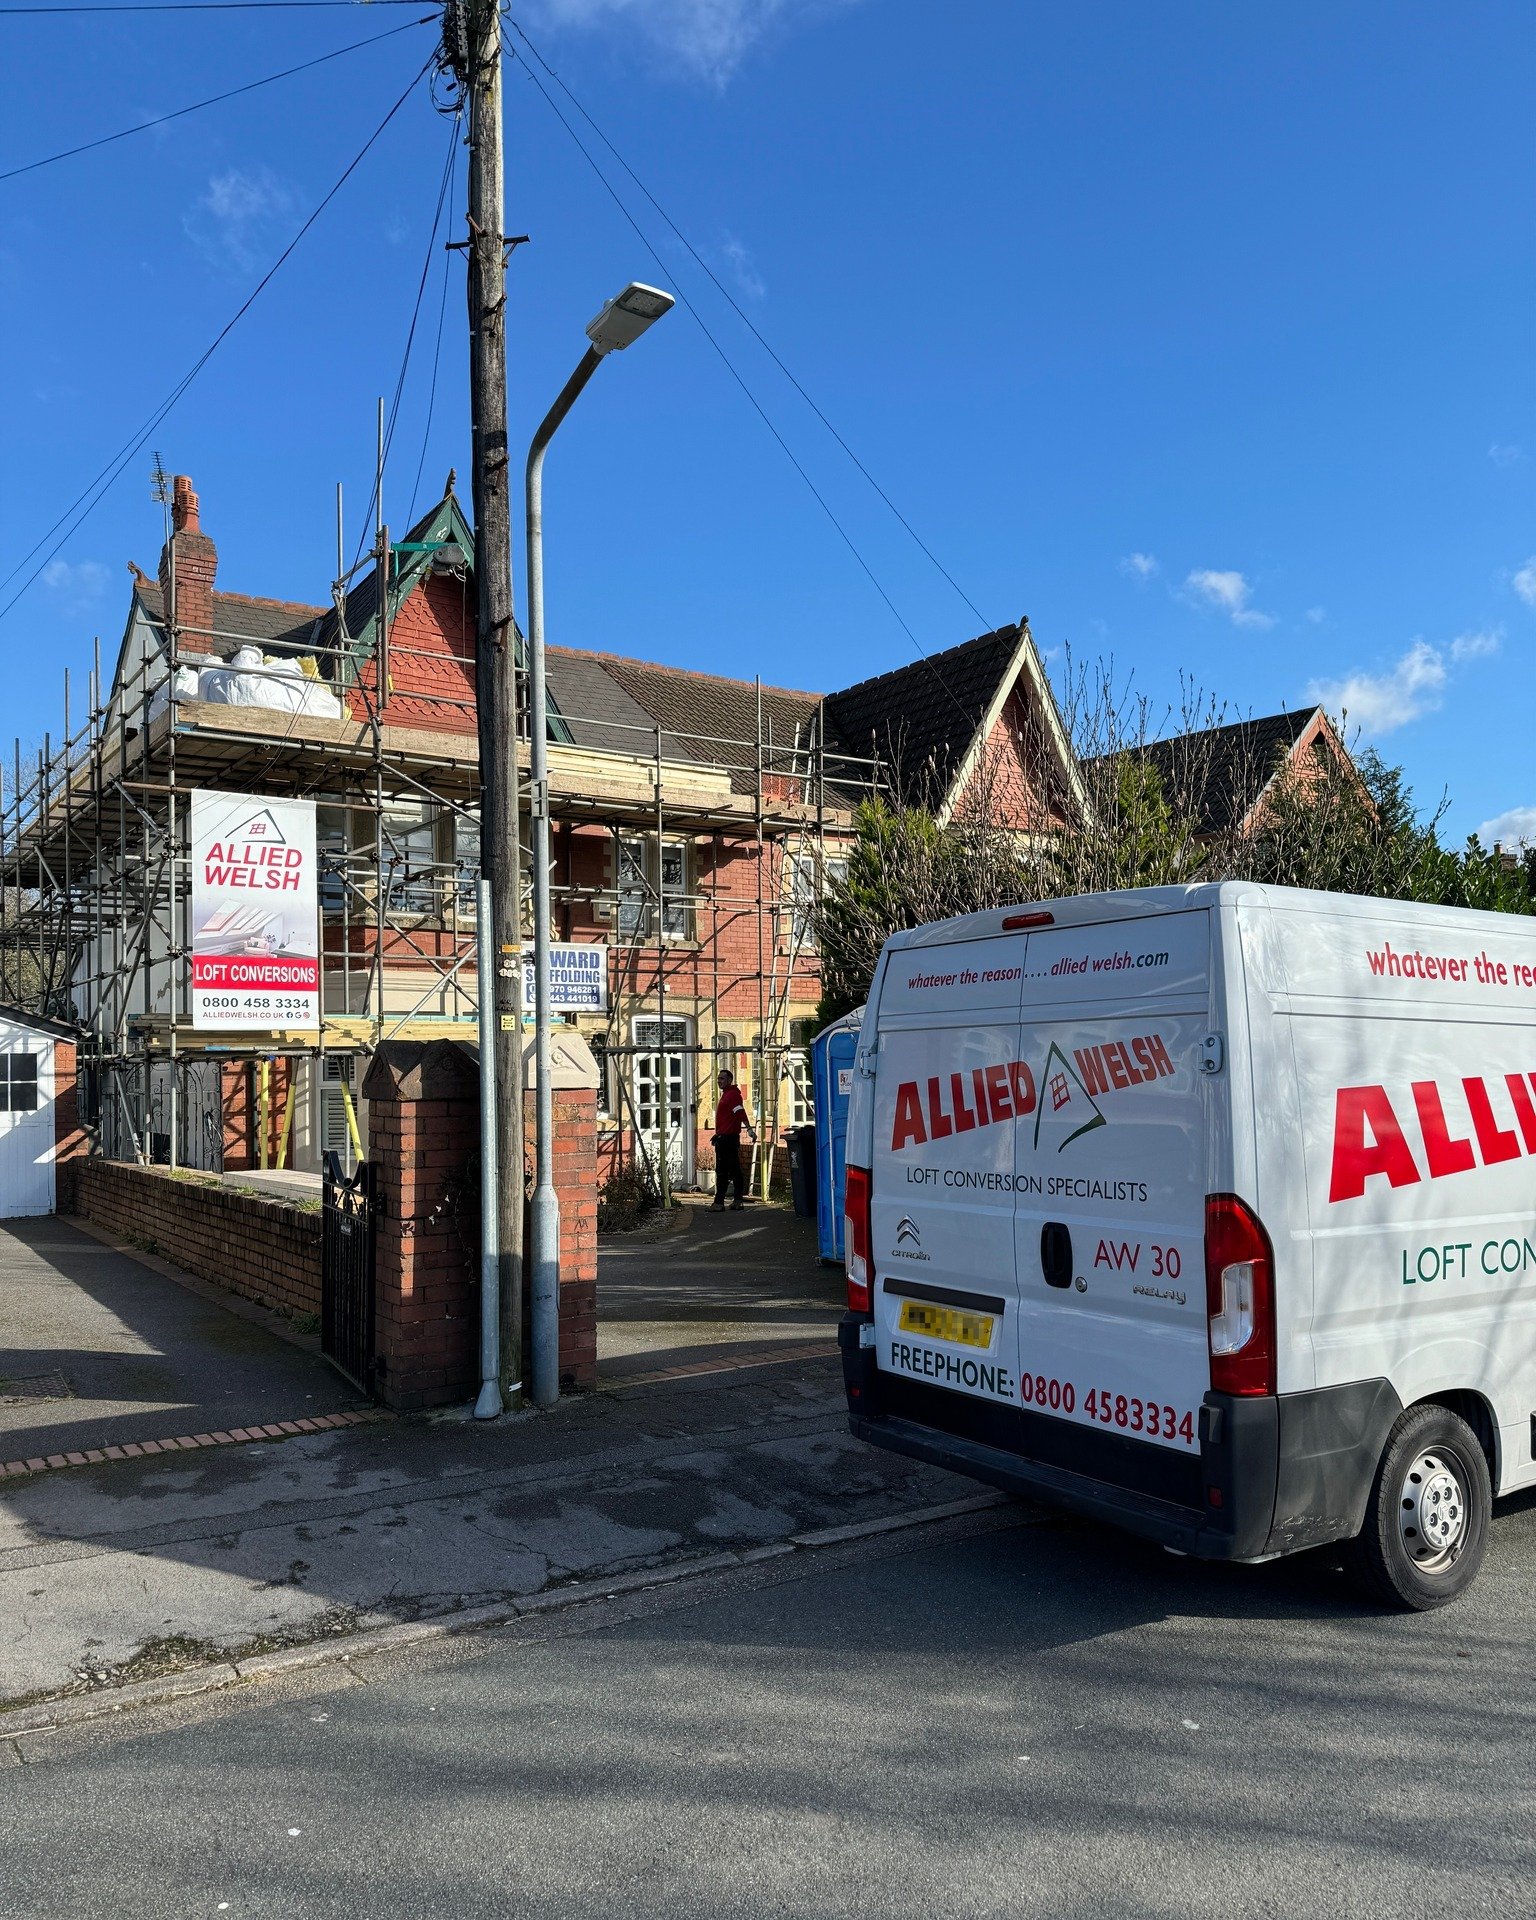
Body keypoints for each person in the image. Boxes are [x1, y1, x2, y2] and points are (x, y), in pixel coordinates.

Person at [711, 1068, 755, 1210]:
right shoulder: (726, 1095)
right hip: (723, 1137)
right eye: (718, 1078)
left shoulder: (732, 1095)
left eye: (722, 1078)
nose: (719, 1081)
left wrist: (749, 1129)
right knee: (728, 1170)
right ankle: (731, 1201)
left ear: (730, 1080)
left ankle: (724, 1202)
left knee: (727, 1171)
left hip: (728, 1139)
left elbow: (740, 1112)